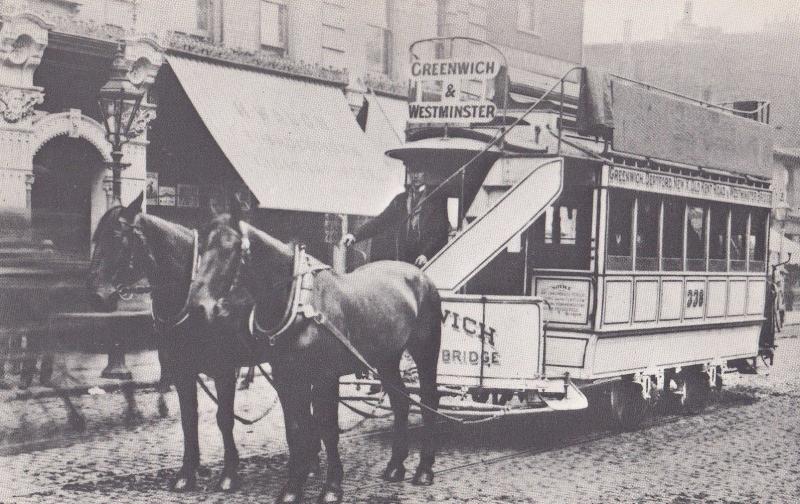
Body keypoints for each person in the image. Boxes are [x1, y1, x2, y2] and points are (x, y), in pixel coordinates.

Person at [342, 170, 449, 267]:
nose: (415, 175)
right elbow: (380, 222)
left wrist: (426, 255)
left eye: (419, 171)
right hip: (403, 261)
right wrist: (354, 235)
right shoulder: (400, 199)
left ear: (426, 173)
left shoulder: (436, 200)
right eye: (412, 171)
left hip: (426, 261)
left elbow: (440, 233)